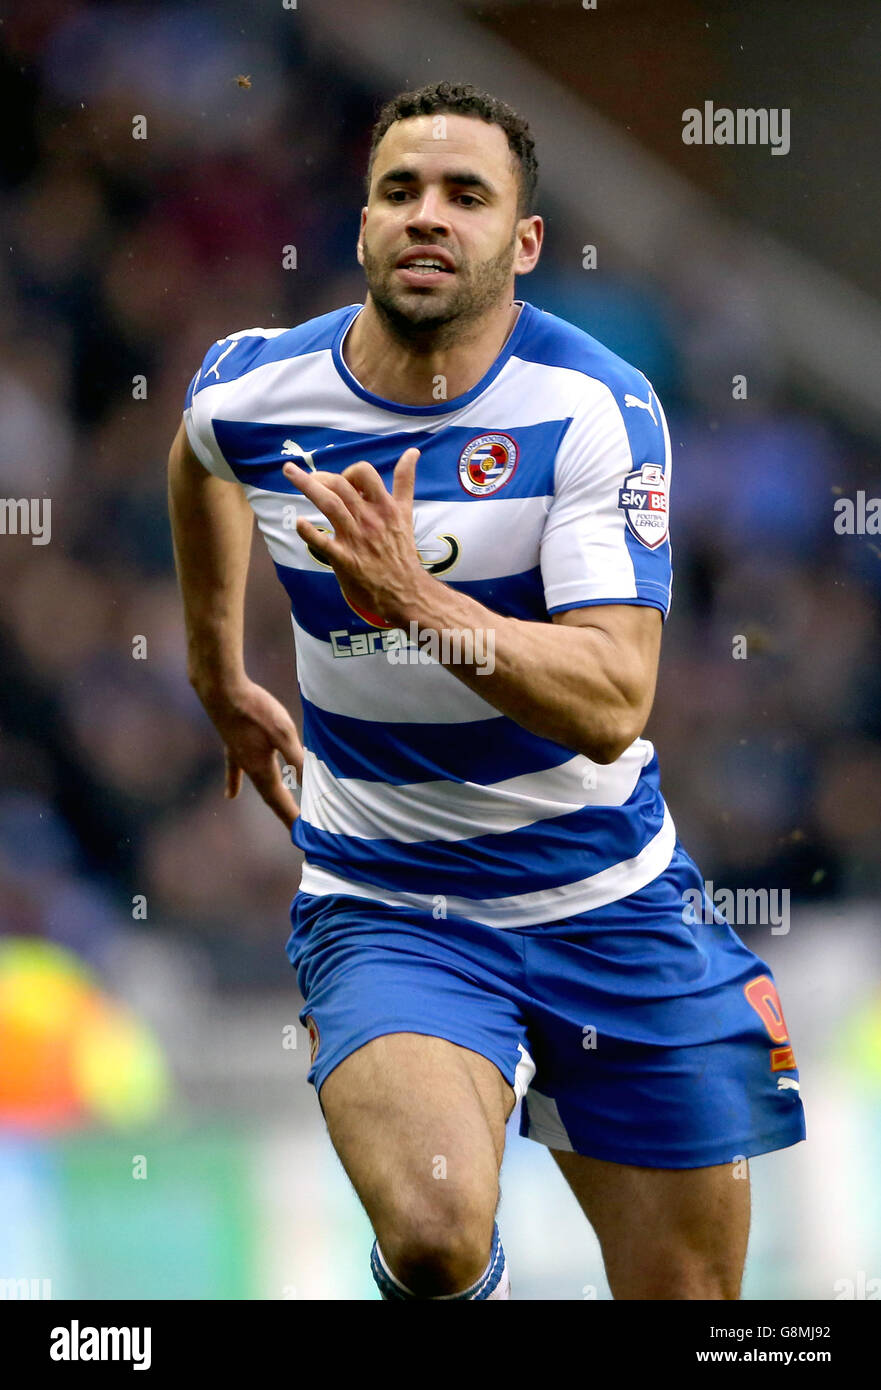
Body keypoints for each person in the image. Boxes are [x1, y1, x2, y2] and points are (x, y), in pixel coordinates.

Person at [168, 81, 805, 1301]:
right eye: (400, 190)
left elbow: (614, 695)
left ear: (520, 246)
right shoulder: (258, 392)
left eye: (465, 196)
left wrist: (420, 601)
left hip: (607, 897)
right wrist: (215, 669)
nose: (427, 216)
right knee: (434, 1232)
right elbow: (195, 453)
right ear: (359, 224)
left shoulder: (592, 409)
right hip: (390, 901)